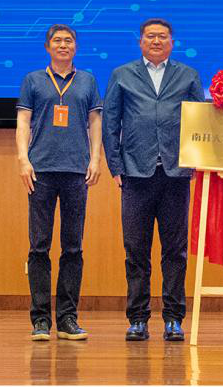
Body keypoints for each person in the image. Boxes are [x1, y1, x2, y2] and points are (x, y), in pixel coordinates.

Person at [102, 18, 205, 342]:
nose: (156, 41)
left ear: (172, 42)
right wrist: (115, 167)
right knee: (136, 250)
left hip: (176, 174)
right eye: (150, 36)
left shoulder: (188, 75)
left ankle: (174, 318)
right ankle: (137, 319)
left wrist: (196, 161)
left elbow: (200, 122)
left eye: (162, 36)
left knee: (175, 251)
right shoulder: (122, 74)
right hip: (135, 174)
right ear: (140, 41)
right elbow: (110, 123)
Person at [16, 24, 103, 341]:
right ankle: (40, 320)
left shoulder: (88, 80)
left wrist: (96, 159)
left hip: (76, 171)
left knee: (73, 247)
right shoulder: (33, 80)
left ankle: (67, 319)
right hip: (40, 171)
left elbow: (95, 121)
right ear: (47, 46)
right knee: (39, 246)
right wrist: (23, 159)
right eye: (57, 41)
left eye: (68, 41)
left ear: (75, 47)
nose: (63, 45)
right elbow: (23, 121)